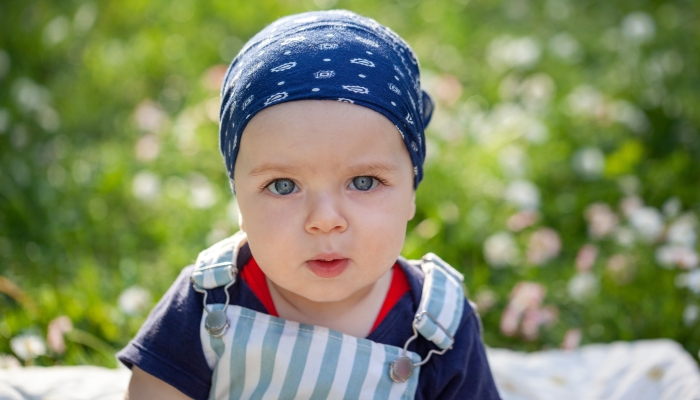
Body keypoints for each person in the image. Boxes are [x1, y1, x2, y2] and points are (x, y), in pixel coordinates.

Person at [118, 9, 501, 400]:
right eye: (283, 185)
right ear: (239, 200)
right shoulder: (210, 301)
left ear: (411, 192)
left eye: (363, 182)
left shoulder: (439, 326)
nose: (324, 220)